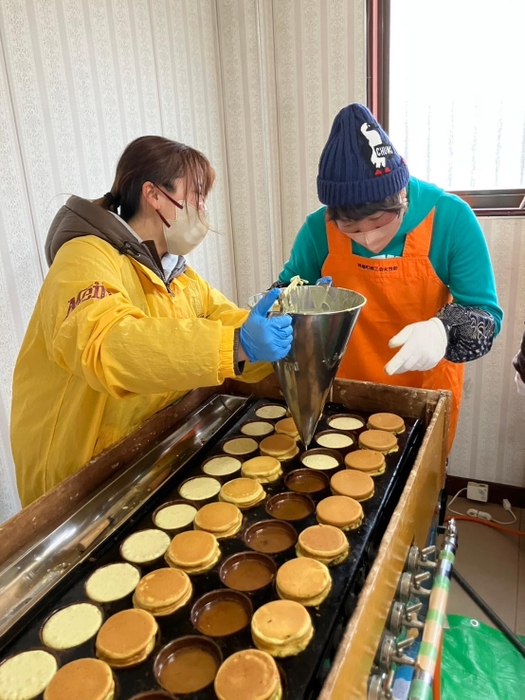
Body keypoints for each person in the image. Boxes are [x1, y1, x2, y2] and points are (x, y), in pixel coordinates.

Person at [11, 136, 292, 506]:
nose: (202, 210)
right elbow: (109, 344)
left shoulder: (178, 275)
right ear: (154, 196)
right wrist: (236, 343)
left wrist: (293, 323)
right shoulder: (84, 258)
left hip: (141, 455)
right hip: (77, 475)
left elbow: (231, 325)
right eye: (196, 196)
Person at [277, 104, 502, 450]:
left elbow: (487, 315)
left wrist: (444, 329)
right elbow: (286, 293)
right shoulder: (317, 230)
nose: (367, 237)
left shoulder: (450, 219)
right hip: (342, 392)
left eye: (380, 221)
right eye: (350, 228)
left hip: (423, 394)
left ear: (401, 196)